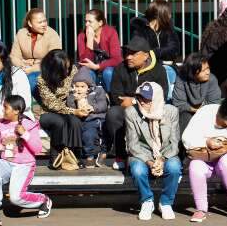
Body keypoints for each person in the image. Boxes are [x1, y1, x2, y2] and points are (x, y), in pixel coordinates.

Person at [183, 96, 227, 223]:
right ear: (225, 114)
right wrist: (206, 142)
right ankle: (201, 209)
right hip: (204, 159)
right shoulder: (206, 112)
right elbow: (187, 137)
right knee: (195, 166)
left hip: (226, 163)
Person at [0, 95, 52, 226]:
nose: (3, 110)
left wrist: (25, 134)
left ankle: (43, 200)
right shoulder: (1, 124)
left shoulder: (28, 124)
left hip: (24, 165)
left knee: (16, 198)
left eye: (6, 108)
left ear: (16, 110)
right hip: (5, 162)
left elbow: (37, 148)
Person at [106, 36, 168, 170]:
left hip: (151, 111)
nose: (128, 57)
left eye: (133, 53)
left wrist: (133, 101)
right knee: (113, 113)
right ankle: (121, 156)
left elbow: (161, 96)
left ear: (146, 55)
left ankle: (160, 156)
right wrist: (139, 102)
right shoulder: (120, 69)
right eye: (127, 53)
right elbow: (116, 97)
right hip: (128, 110)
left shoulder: (159, 70)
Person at [125, 82, 181, 221]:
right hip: (142, 153)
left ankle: (166, 202)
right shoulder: (131, 112)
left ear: (156, 99)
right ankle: (147, 201)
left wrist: (161, 160)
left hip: (166, 152)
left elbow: (174, 143)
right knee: (138, 170)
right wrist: (151, 163)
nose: (142, 102)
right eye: (140, 98)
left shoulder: (171, 111)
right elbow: (133, 144)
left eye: (147, 99)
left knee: (174, 167)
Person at [37, 50, 85, 167]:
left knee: (75, 122)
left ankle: (76, 155)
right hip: (48, 112)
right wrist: (73, 111)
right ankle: (55, 156)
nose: (68, 71)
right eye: (65, 69)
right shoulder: (42, 80)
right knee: (59, 121)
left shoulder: (72, 70)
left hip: (68, 109)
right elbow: (52, 105)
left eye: (68, 67)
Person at [131, 0, 180, 99]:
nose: (170, 16)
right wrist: (161, 53)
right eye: (169, 13)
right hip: (147, 67)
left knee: (168, 72)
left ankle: (168, 101)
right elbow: (141, 51)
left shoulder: (168, 28)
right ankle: (166, 101)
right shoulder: (141, 29)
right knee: (161, 71)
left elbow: (175, 49)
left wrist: (155, 52)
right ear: (161, 14)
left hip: (167, 66)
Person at [10, 8, 62, 97]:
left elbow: (54, 59)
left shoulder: (52, 34)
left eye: (44, 21)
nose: (44, 25)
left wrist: (32, 68)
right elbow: (14, 56)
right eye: (40, 22)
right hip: (23, 68)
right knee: (10, 78)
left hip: (45, 70)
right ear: (30, 23)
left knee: (31, 79)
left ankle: (40, 105)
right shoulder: (21, 33)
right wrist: (22, 65)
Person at [66, 66, 108, 168]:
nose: (79, 89)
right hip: (87, 121)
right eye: (77, 86)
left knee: (103, 135)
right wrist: (76, 100)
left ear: (88, 86)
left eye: (82, 86)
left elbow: (103, 105)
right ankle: (90, 157)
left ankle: (103, 151)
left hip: (99, 118)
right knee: (88, 135)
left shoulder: (97, 91)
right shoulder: (72, 95)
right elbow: (69, 106)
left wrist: (93, 108)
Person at [172, 53, 221, 134]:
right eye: (203, 70)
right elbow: (178, 103)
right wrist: (194, 110)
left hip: (206, 113)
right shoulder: (181, 79)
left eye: (208, 68)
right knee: (185, 117)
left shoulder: (212, 79)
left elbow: (214, 103)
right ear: (193, 72)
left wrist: (199, 111)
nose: (208, 72)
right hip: (187, 113)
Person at [77, 9, 122, 92]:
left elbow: (117, 59)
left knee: (108, 72)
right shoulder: (82, 36)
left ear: (100, 23)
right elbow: (84, 61)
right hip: (91, 71)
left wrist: (98, 66)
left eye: (90, 22)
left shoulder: (110, 32)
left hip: (107, 69)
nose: (87, 24)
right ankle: (91, 99)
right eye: (85, 21)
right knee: (87, 73)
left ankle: (112, 99)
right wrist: (89, 40)